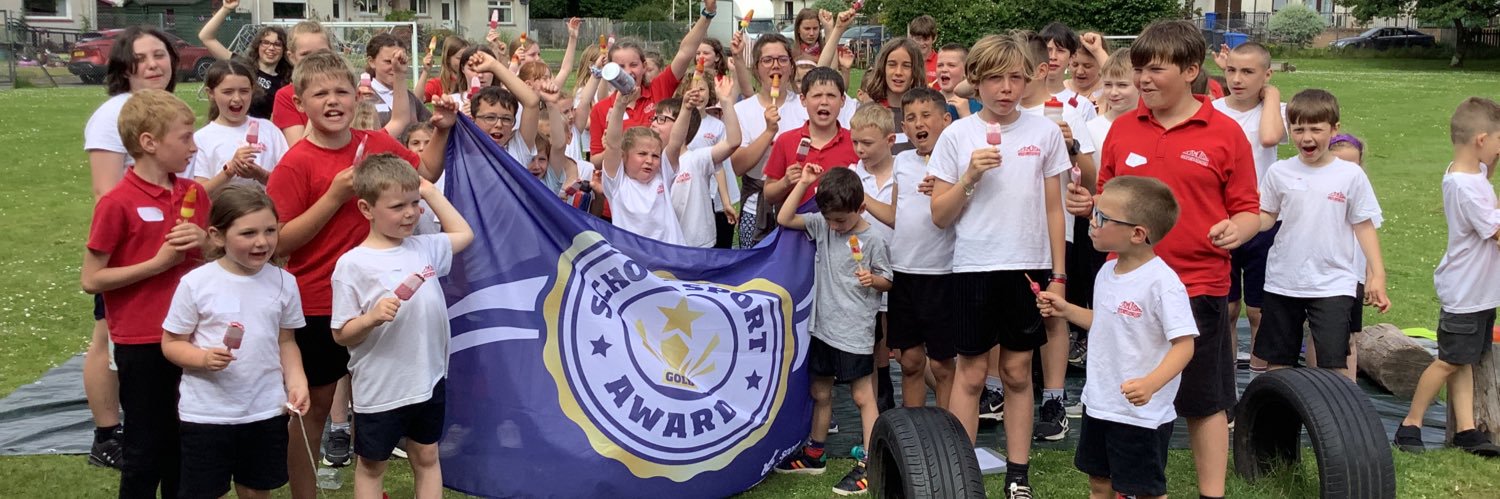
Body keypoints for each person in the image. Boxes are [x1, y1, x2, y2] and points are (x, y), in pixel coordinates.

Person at [1066, 20, 1261, 499]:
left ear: (1191, 69)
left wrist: (1238, 229)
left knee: (1203, 399)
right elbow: (1107, 196)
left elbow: (1249, 209)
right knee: (1123, 390)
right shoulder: (1123, 129)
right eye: (1138, 70)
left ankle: (1211, 493)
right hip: (1125, 285)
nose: (1142, 80)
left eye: (1154, 70)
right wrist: (1088, 204)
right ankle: (1120, 483)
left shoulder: (1226, 132)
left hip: (1197, 284)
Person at [265, 51, 456, 499]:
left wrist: (442, 130)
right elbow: (277, 242)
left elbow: (425, 172)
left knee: (379, 404)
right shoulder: (295, 163)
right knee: (313, 411)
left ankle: (372, 475)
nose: (333, 101)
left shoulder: (375, 143)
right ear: (300, 103)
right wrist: (333, 197)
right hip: (318, 303)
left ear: (358, 96)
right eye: (321, 94)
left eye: (342, 92)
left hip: (384, 302)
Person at [928, 33, 1070, 499]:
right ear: (976, 81)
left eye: (1015, 78)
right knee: (970, 374)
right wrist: (970, 176)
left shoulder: (1044, 133)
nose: (1006, 89)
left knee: (1016, 372)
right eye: (994, 79)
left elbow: (1054, 209)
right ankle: (962, 477)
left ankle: (1018, 475)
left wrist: (1059, 275)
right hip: (974, 265)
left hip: (1027, 267)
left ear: (1028, 80)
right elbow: (940, 215)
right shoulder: (957, 135)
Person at [82, 89, 209, 498]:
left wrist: (207, 243)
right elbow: (92, 279)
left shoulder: (194, 194)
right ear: (149, 143)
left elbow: (215, 262)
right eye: (185, 137)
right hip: (142, 340)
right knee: (145, 447)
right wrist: (156, 264)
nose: (194, 146)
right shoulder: (117, 202)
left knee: (185, 444)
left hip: (192, 336)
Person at [1037, 176, 1197, 499]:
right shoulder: (1106, 273)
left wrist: (1151, 384)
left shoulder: (1162, 284)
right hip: (1100, 403)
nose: (1092, 223)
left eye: (1102, 217)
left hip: (1142, 415)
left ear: (1137, 234)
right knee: (1100, 484)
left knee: (1146, 491)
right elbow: (1105, 323)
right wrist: (1066, 310)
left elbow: (1185, 345)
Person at [330, 154, 474, 499]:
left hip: (428, 377)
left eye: (414, 203)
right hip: (382, 386)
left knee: (427, 455)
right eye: (397, 206)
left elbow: (464, 234)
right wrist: (371, 317)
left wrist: (431, 192)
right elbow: (341, 334)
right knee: (372, 465)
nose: (410, 213)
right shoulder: (353, 264)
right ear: (366, 209)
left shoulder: (424, 247)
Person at [161, 185, 308, 499]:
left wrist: (297, 381)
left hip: (264, 408)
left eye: (270, 230)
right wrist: (202, 358)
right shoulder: (196, 284)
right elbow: (171, 342)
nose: (262, 242)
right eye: (248, 233)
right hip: (207, 413)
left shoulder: (284, 282)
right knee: (203, 491)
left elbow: (286, 341)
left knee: (256, 488)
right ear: (217, 236)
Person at [80, 26, 182, 468]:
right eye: (141, 59)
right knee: (107, 337)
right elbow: (106, 191)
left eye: (160, 54)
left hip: (170, 248)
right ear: (125, 68)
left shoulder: (166, 108)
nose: (154, 65)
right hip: (132, 248)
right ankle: (107, 434)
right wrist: (144, 243)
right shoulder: (114, 114)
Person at [772, 167, 893, 497]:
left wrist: (874, 280)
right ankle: (815, 454)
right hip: (822, 328)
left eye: (841, 220)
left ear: (861, 208)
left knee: (862, 396)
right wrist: (803, 183)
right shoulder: (823, 225)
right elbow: (784, 218)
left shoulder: (874, 239)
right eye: (830, 219)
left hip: (854, 331)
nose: (835, 226)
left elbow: (888, 280)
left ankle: (871, 463)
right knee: (820, 392)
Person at [1254, 89, 1389, 378]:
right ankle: (1280, 409)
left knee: (1333, 364)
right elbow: (1266, 216)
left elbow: (1363, 225)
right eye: (1298, 129)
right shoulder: (1279, 172)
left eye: (1316, 129)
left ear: (1334, 129)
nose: (1306, 137)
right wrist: (1240, 226)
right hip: (1284, 280)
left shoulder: (1350, 175)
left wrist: (1377, 275)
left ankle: (1334, 409)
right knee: (1278, 364)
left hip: (1333, 283)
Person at [1395, 97, 1500, 457]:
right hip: (1465, 291)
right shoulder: (1463, 187)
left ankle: (1466, 430)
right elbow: (1496, 231)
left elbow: (1487, 178)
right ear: (1481, 140)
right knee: (1448, 361)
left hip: (1479, 291)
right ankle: (1411, 424)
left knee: (1463, 360)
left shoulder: (1473, 173)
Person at [1015, 31, 1099, 439]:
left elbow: (1094, 177)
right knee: (1005, 313)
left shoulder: (1068, 111)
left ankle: (1054, 399)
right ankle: (996, 392)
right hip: (1007, 234)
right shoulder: (998, 111)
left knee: (1053, 314)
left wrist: (1072, 145)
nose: (1008, 82)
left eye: (1016, 72)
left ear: (1041, 70)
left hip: (1053, 232)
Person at [1213, 42, 1287, 372]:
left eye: (1247, 72)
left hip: (1263, 219)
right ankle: (1225, 378)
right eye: (1231, 70)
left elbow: (1269, 137)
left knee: (1259, 310)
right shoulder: (1212, 111)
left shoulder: (1276, 110)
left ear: (1266, 75)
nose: (1237, 79)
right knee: (1227, 308)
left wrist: (1271, 95)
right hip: (1221, 219)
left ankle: (1260, 380)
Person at [880, 88, 956, 409]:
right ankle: (914, 432)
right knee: (910, 360)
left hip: (942, 273)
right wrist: (861, 201)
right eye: (910, 118)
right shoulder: (901, 161)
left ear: (946, 120)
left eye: (926, 116)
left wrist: (948, 189)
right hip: (903, 272)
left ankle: (949, 429)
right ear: (903, 128)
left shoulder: (957, 163)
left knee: (941, 364)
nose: (918, 123)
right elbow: (896, 214)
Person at [588, 0, 716, 156]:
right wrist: (617, 149)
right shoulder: (601, 109)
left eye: (633, 65)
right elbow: (595, 159)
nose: (627, 72)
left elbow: (684, 53)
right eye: (620, 67)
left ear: (644, 66)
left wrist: (707, 14)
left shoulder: (659, 88)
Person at [762, 68, 859, 228]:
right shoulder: (786, 141)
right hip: (796, 230)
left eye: (831, 96)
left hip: (842, 232)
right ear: (803, 100)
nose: (824, 102)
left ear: (842, 101)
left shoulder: (855, 142)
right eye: (817, 96)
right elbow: (769, 195)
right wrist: (786, 182)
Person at [596, 84, 684, 244]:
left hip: (669, 255)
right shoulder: (616, 184)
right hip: (634, 257)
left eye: (655, 156)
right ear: (623, 156)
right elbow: (613, 144)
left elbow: (676, 142)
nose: (649, 160)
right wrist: (619, 105)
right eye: (642, 154)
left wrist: (687, 109)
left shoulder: (662, 174)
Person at [664, 77, 742, 248]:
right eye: (655, 119)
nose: (697, 94)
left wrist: (726, 102)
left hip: (700, 235)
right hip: (669, 241)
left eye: (701, 89)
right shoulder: (655, 160)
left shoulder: (696, 157)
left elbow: (723, 157)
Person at [190, 60, 289, 193]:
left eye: (244, 91)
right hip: (223, 206)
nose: (237, 98)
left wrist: (260, 174)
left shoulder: (269, 130)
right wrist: (229, 171)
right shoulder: (201, 139)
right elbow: (197, 193)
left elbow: (288, 181)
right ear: (211, 93)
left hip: (266, 205)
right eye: (228, 92)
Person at [198, 0, 291, 120]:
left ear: (284, 49)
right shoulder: (241, 65)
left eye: (277, 44)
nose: (271, 48)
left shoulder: (286, 81)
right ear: (257, 45)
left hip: (261, 129)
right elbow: (206, 37)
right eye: (266, 43)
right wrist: (226, 9)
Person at [271, 20, 334, 147]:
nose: (315, 60)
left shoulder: (343, 89)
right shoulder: (286, 96)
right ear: (292, 57)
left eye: (322, 53)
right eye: (306, 54)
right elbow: (298, 148)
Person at [363, 34, 431, 131]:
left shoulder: (409, 98)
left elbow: (430, 128)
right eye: (388, 62)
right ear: (371, 62)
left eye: (400, 61)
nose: (395, 66)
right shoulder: (362, 96)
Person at [935, 44, 981, 120]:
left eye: (951, 65)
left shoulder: (977, 104)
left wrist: (965, 114)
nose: (944, 69)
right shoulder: (928, 100)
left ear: (966, 71)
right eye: (940, 65)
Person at [422, 36, 469, 105]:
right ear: (447, 59)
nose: (465, 62)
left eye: (468, 58)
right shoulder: (437, 84)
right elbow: (416, 101)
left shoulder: (475, 81)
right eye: (460, 58)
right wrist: (425, 71)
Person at [906, 15, 938, 85]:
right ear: (911, 38)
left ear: (934, 38)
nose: (921, 43)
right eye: (918, 39)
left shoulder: (941, 62)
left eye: (926, 39)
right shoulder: (906, 60)